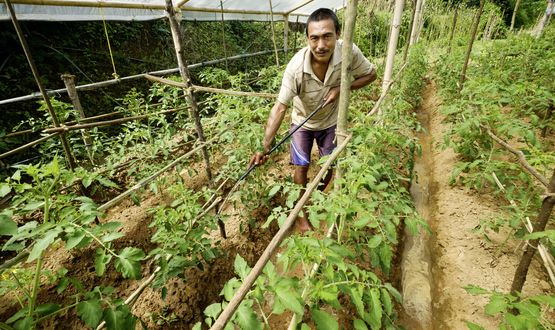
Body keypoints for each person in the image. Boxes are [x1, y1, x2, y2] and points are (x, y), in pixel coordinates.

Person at [248, 8, 377, 233]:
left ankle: (314, 196)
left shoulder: (349, 52)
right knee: (301, 166)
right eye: (314, 38)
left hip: (330, 121)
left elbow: (371, 74)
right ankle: (300, 214)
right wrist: (264, 147)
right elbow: (279, 108)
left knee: (329, 165)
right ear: (307, 38)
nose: (321, 45)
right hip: (302, 123)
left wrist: (342, 87)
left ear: (338, 34)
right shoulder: (295, 69)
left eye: (327, 36)